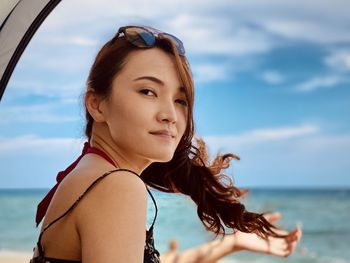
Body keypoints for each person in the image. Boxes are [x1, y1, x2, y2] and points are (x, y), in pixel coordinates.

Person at [30, 25, 302, 263]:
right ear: (96, 104)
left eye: (180, 100)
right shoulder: (116, 185)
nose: (170, 115)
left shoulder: (91, 174)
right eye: (148, 91)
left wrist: (230, 244)